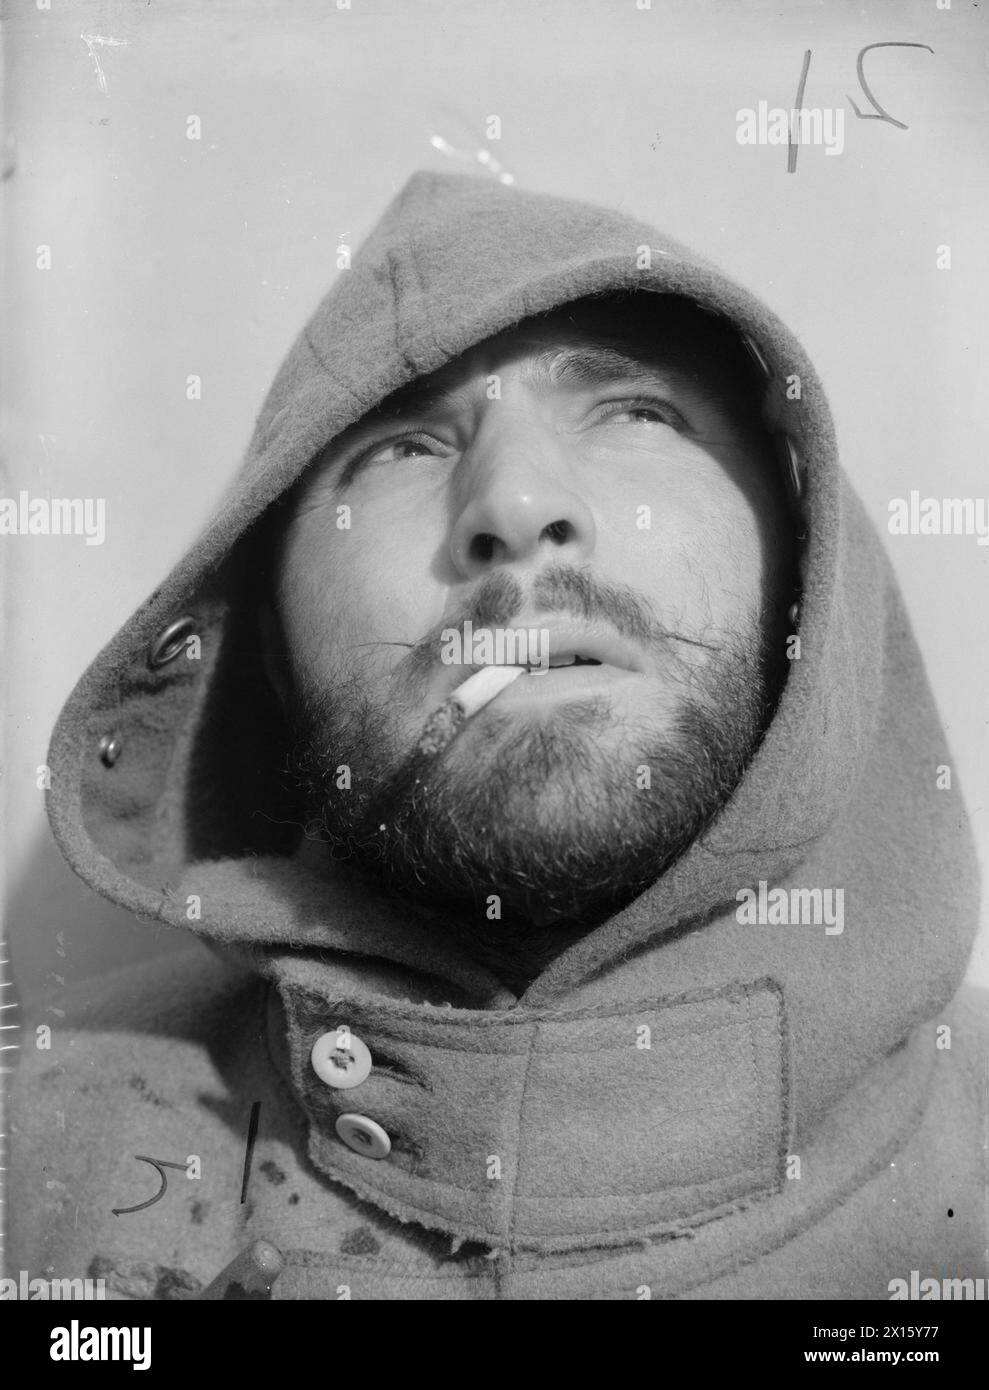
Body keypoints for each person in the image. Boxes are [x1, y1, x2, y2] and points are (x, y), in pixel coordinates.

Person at [10, 171, 985, 1300]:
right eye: (403, 448)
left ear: (802, 581)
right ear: (269, 643)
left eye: (637, 412)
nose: (513, 503)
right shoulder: (25, 1152)